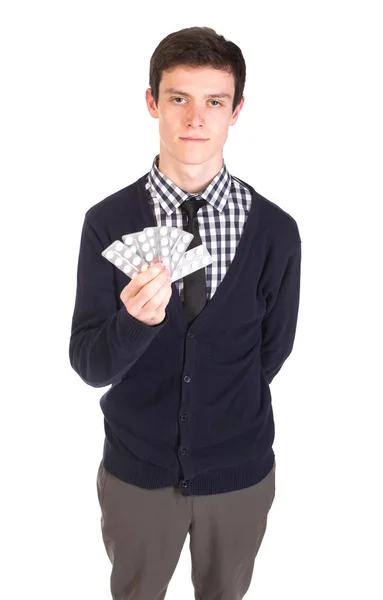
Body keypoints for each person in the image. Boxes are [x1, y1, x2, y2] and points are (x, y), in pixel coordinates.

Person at [69, 25, 302, 600]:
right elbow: (90, 363)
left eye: (214, 101)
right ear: (152, 102)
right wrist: (134, 325)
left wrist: (218, 408)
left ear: (236, 111)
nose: (195, 118)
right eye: (178, 98)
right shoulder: (107, 222)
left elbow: (272, 349)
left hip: (239, 474)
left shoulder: (275, 231)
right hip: (136, 474)